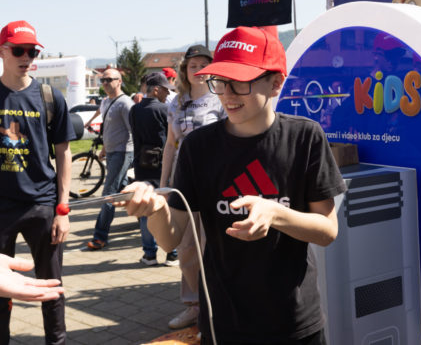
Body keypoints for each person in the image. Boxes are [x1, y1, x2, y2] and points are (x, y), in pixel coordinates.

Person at [124, 27, 346, 344]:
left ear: (276, 83)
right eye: (220, 81)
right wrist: (156, 210)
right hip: (223, 321)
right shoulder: (198, 147)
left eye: (240, 81)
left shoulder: (304, 138)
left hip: (295, 322)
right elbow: (170, 239)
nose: (227, 93)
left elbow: (328, 230)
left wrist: (276, 214)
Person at [0, 20, 75, 344]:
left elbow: (64, 153)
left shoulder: (49, 97)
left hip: (42, 207)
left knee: (50, 287)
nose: (27, 56)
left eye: (32, 51)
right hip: (0, 208)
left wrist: (63, 209)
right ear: (3, 51)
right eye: (19, 50)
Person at [159, 44, 224, 328]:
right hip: (183, 184)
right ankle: (194, 306)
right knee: (186, 249)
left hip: (215, 182)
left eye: (203, 65)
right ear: (185, 69)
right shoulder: (176, 102)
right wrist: (163, 184)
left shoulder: (221, 98)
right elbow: (170, 146)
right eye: (193, 65)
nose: (199, 70)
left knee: (215, 247)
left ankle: (218, 309)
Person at [87, 68, 134, 250]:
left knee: (109, 193)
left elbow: (133, 130)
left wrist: (132, 154)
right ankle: (146, 217)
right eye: (103, 80)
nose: (105, 83)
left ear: (119, 81)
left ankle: (100, 236)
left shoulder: (125, 103)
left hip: (123, 152)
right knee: (123, 190)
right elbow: (107, 129)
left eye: (109, 80)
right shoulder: (106, 102)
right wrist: (104, 149)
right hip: (112, 152)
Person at [129, 72, 172, 265]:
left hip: (142, 165)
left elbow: (136, 138)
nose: (167, 94)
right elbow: (170, 141)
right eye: (165, 90)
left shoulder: (134, 110)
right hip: (162, 165)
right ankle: (173, 253)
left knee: (145, 208)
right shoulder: (165, 110)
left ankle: (149, 254)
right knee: (167, 207)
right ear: (155, 89)